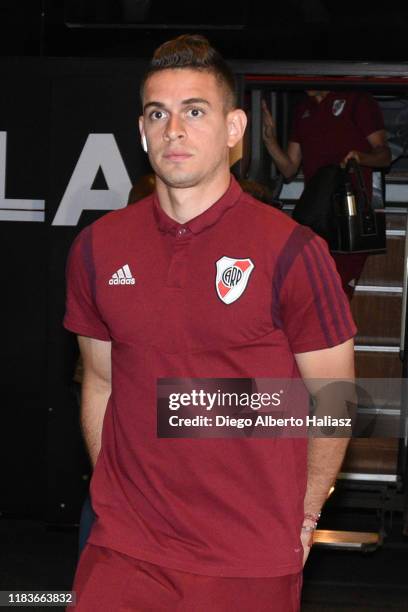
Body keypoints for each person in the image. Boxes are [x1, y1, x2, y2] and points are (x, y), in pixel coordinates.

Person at [64, 35, 356, 611]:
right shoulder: (97, 248)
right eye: (158, 114)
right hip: (125, 550)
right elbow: (101, 381)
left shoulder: (293, 252)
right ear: (142, 131)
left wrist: (305, 513)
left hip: (246, 556)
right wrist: (117, 495)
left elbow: (335, 399)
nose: (174, 129)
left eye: (194, 111)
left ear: (233, 129)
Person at [262, 90, 392, 299]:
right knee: (307, 290)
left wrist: (361, 157)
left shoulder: (357, 100)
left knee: (335, 291)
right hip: (317, 213)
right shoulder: (304, 108)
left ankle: (333, 329)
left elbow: (384, 155)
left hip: (351, 214)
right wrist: (270, 140)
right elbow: (289, 169)